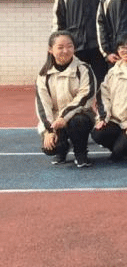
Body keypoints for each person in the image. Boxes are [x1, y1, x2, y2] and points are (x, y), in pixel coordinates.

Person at [35, 30, 97, 168]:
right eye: (60, 47)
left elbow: (85, 97)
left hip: (79, 114)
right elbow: (43, 105)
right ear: (50, 50)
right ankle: (61, 150)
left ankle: (80, 153)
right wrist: (49, 131)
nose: (65, 51)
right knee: (50, 148)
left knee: (78, 122)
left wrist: (64, 117)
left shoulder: (84, 69)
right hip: (55, 119)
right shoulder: (43, 75)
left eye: (69, 46)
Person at [91, 34, 127, 162]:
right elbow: (103, 95)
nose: (126, 50)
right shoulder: (113, 72)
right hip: (115, 120)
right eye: (122, 47)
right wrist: (103, 117)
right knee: (98, 133)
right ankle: (119, 146)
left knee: (122, 150)